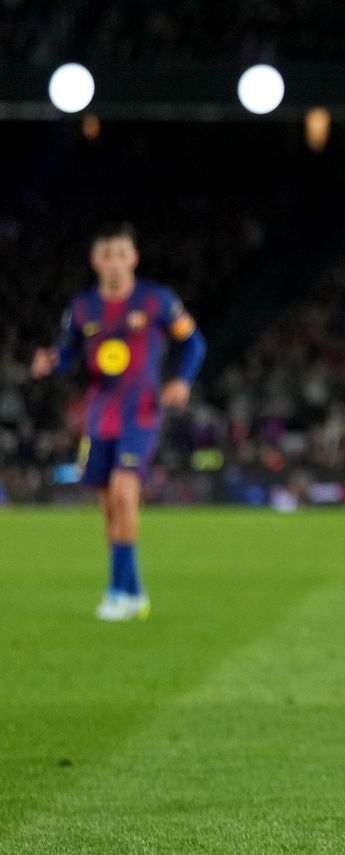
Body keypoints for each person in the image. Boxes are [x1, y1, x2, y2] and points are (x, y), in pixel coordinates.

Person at [29, 224, 205, 620]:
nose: (113, 262)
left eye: (120, 253)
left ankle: (116, 593)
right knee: (110, 506)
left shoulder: (157, 301)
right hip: (98, 416)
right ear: (95, 261)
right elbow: (68, 354)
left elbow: (193, 342)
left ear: (133, 258)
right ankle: (133, 591)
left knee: (125, 493)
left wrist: (181, 380)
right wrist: (51, 363)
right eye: (105, 255)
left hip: (140, 412)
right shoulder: (81, 309)